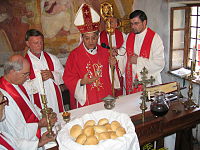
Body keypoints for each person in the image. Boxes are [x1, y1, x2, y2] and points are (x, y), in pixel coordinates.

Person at [63, 3, 116, 109]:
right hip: (87, 98)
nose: (91, 41)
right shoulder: (74, 55)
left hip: (105, 96)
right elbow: (67, 78)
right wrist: (82, 82)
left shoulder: (105, 52)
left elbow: (113, 77)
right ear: (82, 38)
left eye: (93, 38)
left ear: (98, 37)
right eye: (87, 38)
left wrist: (112, 66)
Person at [0, 55, 57, 149]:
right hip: (25, 142)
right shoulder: (3, 99)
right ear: (12, 72)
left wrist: (44, 115)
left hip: (35, 135)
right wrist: (39, 124)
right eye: (25, 74)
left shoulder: (16, 84)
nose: (28, 77)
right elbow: (16, 132)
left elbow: (30, 105)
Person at [118, 10, 165, 95]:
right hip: (131, 82)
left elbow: (159, 63)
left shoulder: (155, 39)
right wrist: (116, 53)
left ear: (144, 22)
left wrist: (138, 61)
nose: (133, 27)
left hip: (148, 83)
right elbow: (123, 52)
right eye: (131, 24)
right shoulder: (129, 36)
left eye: (136, 23)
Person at [23, 29, 64, 113]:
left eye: (41, 42)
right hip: (37, 105)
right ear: (27, 43)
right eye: (36, 43)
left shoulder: (52, 58)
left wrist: (52, 75)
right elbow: (23, 88)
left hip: (55, 100)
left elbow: (64, 76)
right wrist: (39, 79)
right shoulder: (23, 64)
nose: (39, 45)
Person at [99, 16, 126, 96]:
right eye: (106, 22)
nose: (108, 24)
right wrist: (108, 52)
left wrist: (117, 51)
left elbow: (125, 48)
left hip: (118, 66)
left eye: (111, 22)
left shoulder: (123, 36)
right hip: (106, 67)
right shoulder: (100, 36)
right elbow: (98, 49)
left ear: (117, 24)